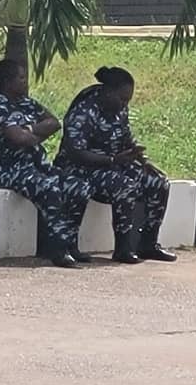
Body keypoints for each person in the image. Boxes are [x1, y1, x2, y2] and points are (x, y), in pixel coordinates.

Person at [55, 66, 177, 263]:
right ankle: (123, 248)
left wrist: (140, 159)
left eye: (127, 100)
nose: (124, 104)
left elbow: (124, 137)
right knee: (125, 186)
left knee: (158, 182)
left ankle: (148, 243)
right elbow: (75, 152)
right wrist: (112, 161)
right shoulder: (84, 111)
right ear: (108, 92)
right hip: (81, 168)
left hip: (112, 163)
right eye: (122, 99)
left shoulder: (118, 108)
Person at [0, 59, 92, 269]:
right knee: (49, 188)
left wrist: (29, 130)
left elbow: (54, 123)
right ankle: (57, 249)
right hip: (11, 169)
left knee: (79, 186)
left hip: (38, 166)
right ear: (7, 81)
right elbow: (18, 139)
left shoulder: (27, 102)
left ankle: (69, 243)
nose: (25, 82)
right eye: (21, 78)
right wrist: (34, 132)